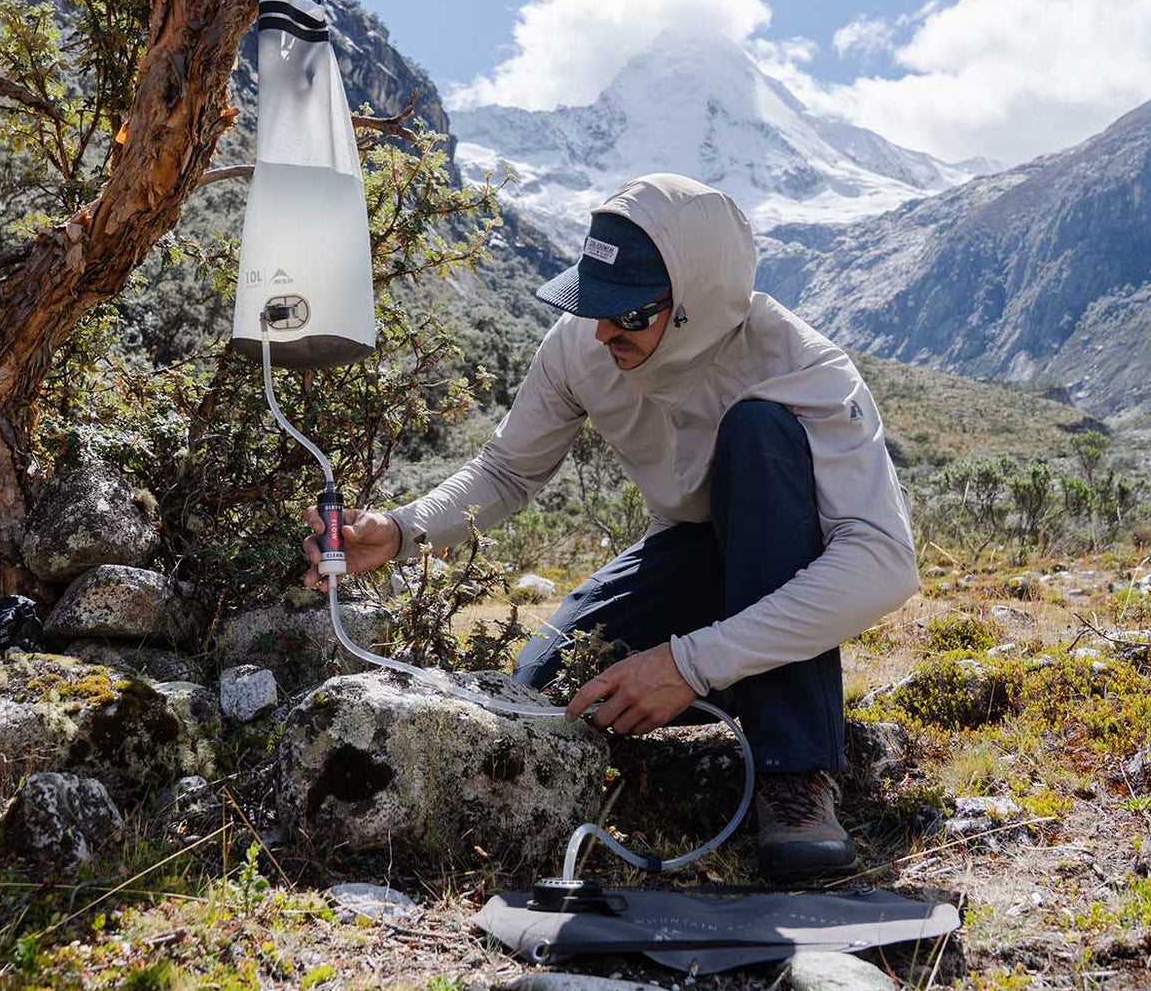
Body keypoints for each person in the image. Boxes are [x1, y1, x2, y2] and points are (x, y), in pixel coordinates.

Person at [300, 172, 919, 879]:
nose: (601, 330)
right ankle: (744, 678)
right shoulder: (581, 347)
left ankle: (795, 772)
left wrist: (690, 663)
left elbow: (883, 560)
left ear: (691, 307)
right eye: (595, 305)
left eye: (625, 312)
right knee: (550, 680)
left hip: (789, 561)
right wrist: (402, 530)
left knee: (760, 431)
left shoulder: (800, 367)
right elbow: (507, 469)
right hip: (693, 555)